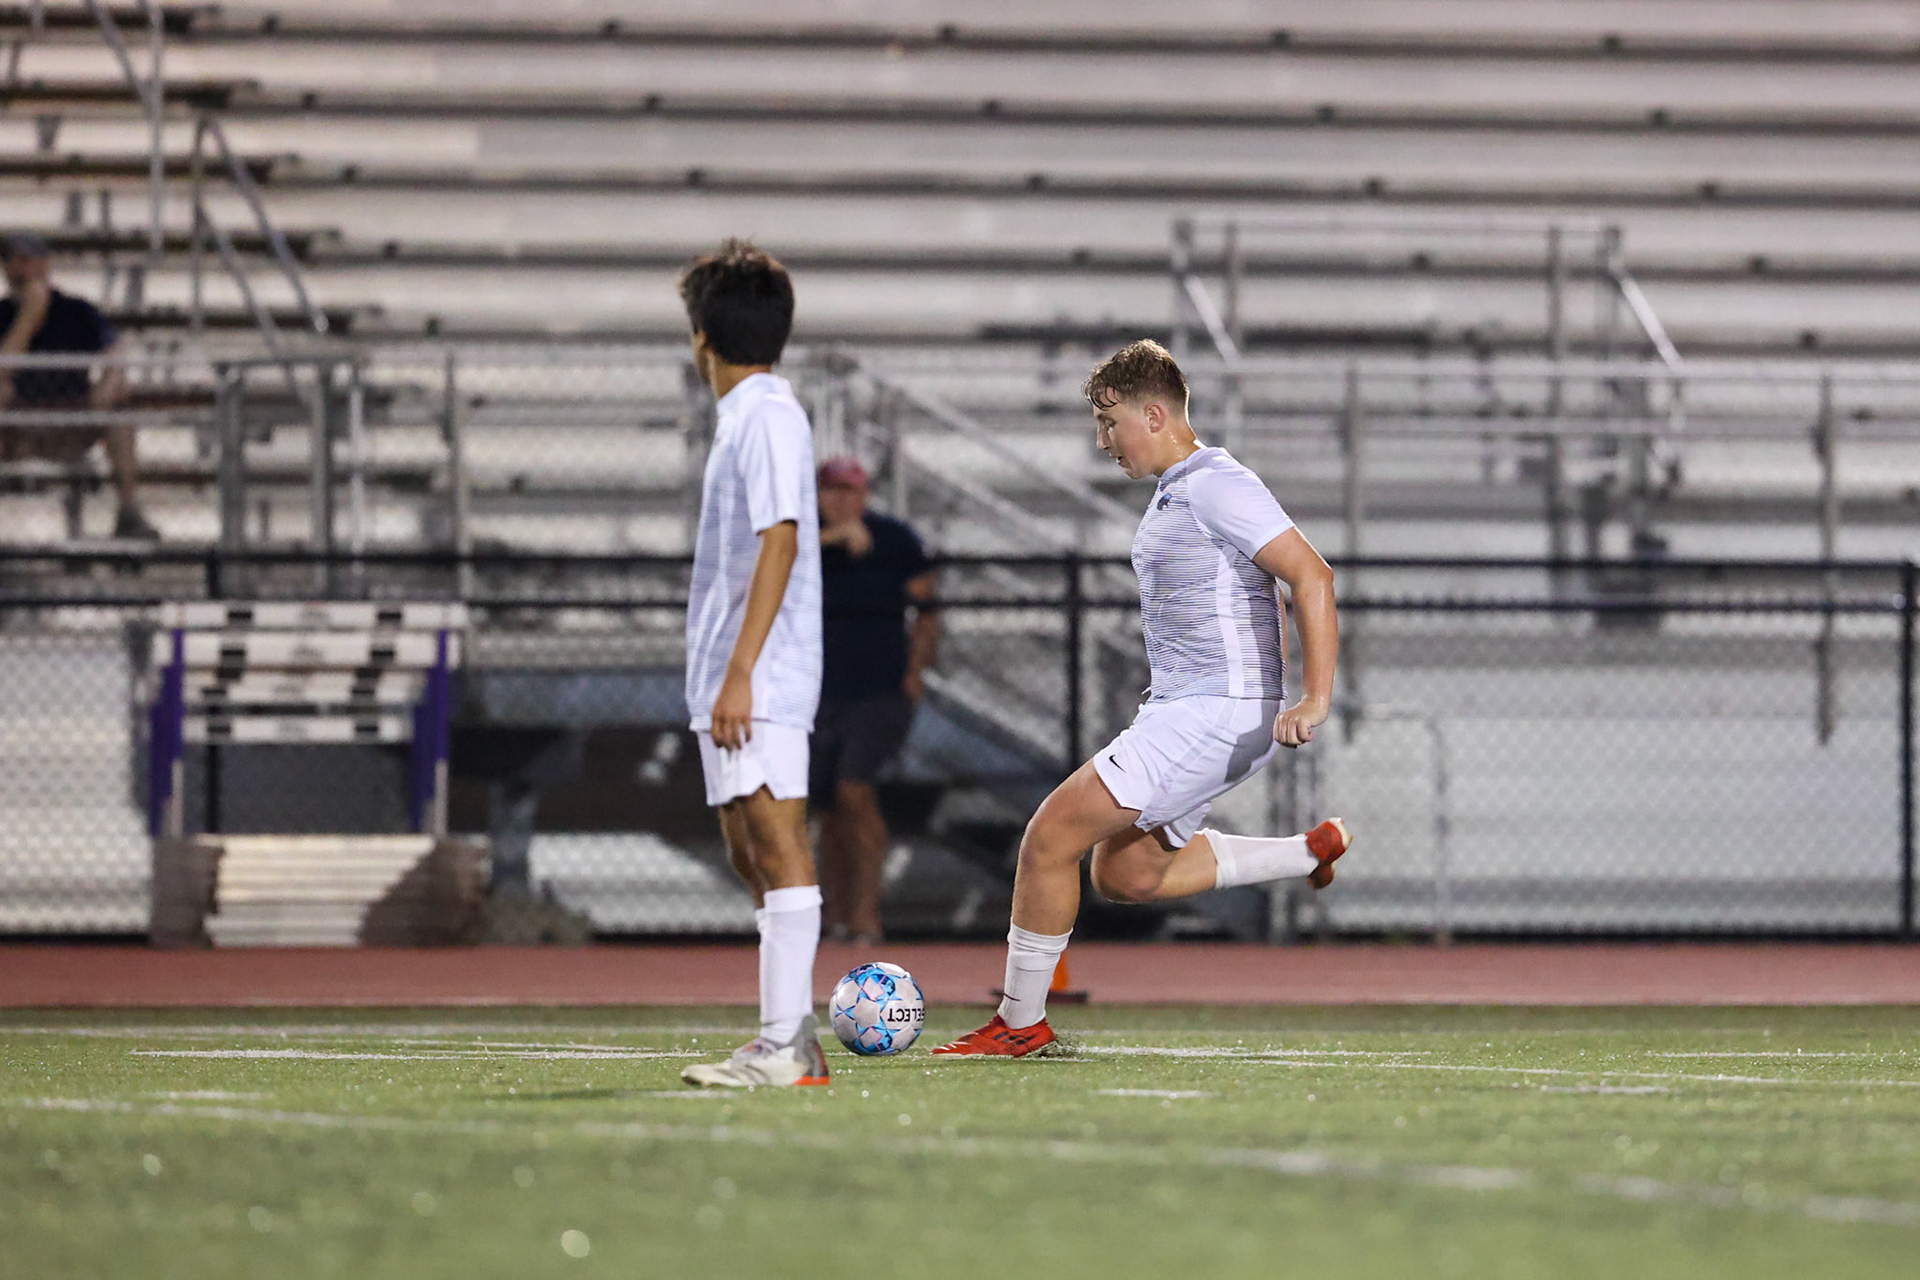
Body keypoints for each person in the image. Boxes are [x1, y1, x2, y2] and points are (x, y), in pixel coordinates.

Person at [934, 339, 1352, 1058]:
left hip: (1214, 711)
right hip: (1193, 709)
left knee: (1047, 840)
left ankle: (1020, 1023)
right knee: (1124, 874)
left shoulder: (1216, 482)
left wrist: (1314, 698)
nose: (1103, 443)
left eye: (1110, 423)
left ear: (1154, 415)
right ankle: (1303, 852)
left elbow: (1311, 576)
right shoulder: (1180, 487)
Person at [676, 240, 830, 1089]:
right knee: (748, 849)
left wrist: (741, 671)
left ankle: (790, 1046)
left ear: (702, 336)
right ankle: (781, 1034)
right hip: (732, 671)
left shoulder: (767, 415)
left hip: (760, 674)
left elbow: (781, 537)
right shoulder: (749, 416)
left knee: (775, 840)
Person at [812, 455, 939, 944]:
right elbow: (757, 564)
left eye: (851, 491)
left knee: (854, 790)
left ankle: (866, 915)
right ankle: (835, 914)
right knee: (826, 807)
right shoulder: (801, 543)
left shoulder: (894, 540)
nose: (841, 500)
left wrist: (913, 677)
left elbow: (927, 608)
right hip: (820, 692)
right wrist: (829, 540)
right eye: (832, 491)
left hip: (879, 691)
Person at [0, 233, 154, 539]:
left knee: (120, 416)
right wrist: (29, 317)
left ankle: (129, 512)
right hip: (17, 425)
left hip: (72, 419)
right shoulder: (2, 314)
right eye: (14, 262)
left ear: (45, 265)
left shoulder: (77, 310)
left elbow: (115, 354)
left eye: (29, 261)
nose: (22, 270)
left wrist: (108, 385)